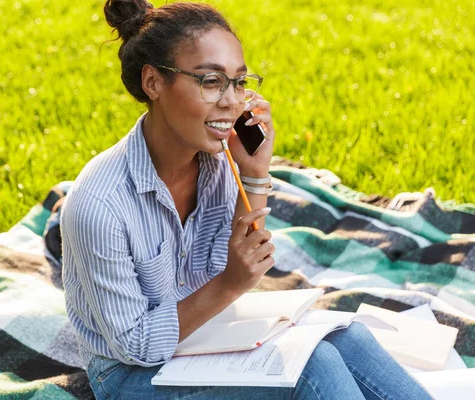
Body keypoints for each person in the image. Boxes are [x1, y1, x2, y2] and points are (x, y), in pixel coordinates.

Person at [61, 1, 434, 398]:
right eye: (210, 81)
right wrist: (228, 286)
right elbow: (135, 346)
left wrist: (255, 173)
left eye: (239, 83)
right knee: (314, 369)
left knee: (348, 338)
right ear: (153, 82)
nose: (232, 101)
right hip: (131, 375)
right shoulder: (98, 205)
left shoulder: (218, 162)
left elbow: (239, 265)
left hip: (204, 335)